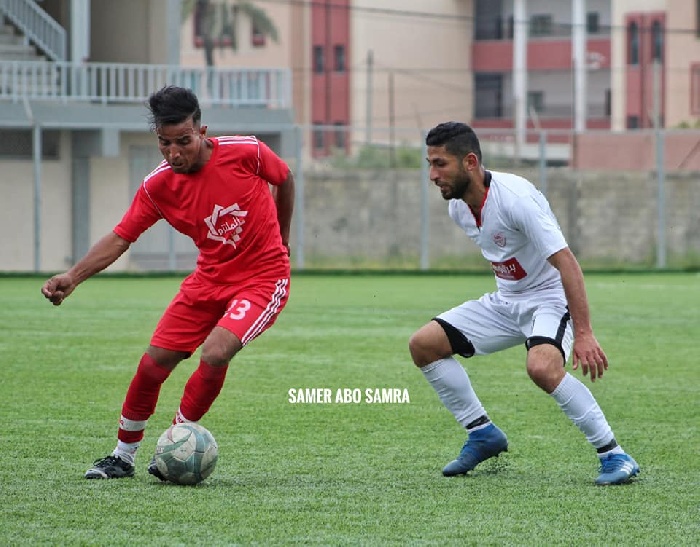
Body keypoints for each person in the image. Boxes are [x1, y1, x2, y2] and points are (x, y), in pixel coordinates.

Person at [41, 85, 295, 480]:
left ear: (202, 132)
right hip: (208, 280)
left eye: (183, 141)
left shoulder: (247, 152)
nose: (174, 153)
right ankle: (122, 456)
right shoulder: (157, 187)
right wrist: (72, 276)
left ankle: (174, 444)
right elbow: (121, 237)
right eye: (164, 142)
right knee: (152, 365)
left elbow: (285, 178)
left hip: (263, 277)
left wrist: (283, 238)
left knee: (215, 352)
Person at [409, 121, 639, 485]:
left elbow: (567, 263)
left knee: (542, 368)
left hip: (549, 299)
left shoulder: (515, 199)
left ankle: (615, 455)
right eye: (430, 164)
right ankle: (482, 433)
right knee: (424, 345)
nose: (432, 175)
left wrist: (583, 333)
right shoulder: (459, 208)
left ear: (470, 162)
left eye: (440, 164)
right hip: (506, 301)